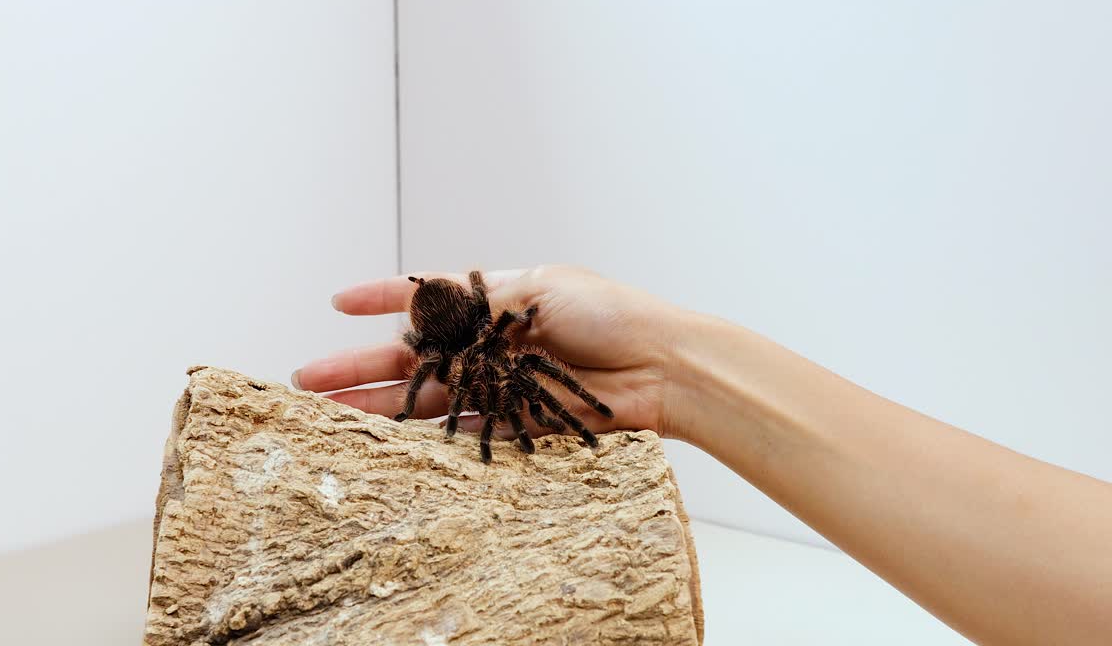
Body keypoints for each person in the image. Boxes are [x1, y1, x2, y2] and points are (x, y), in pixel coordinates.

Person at [291, 265, 1112, 645]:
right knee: (518, 379)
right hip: (459, 326)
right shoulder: (461, 345)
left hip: (472, 325)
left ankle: (571, 424)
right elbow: (449, 361)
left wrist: (627, 395)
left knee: (531, 379)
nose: (484, 371)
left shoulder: (506, 346)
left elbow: (513, 356)